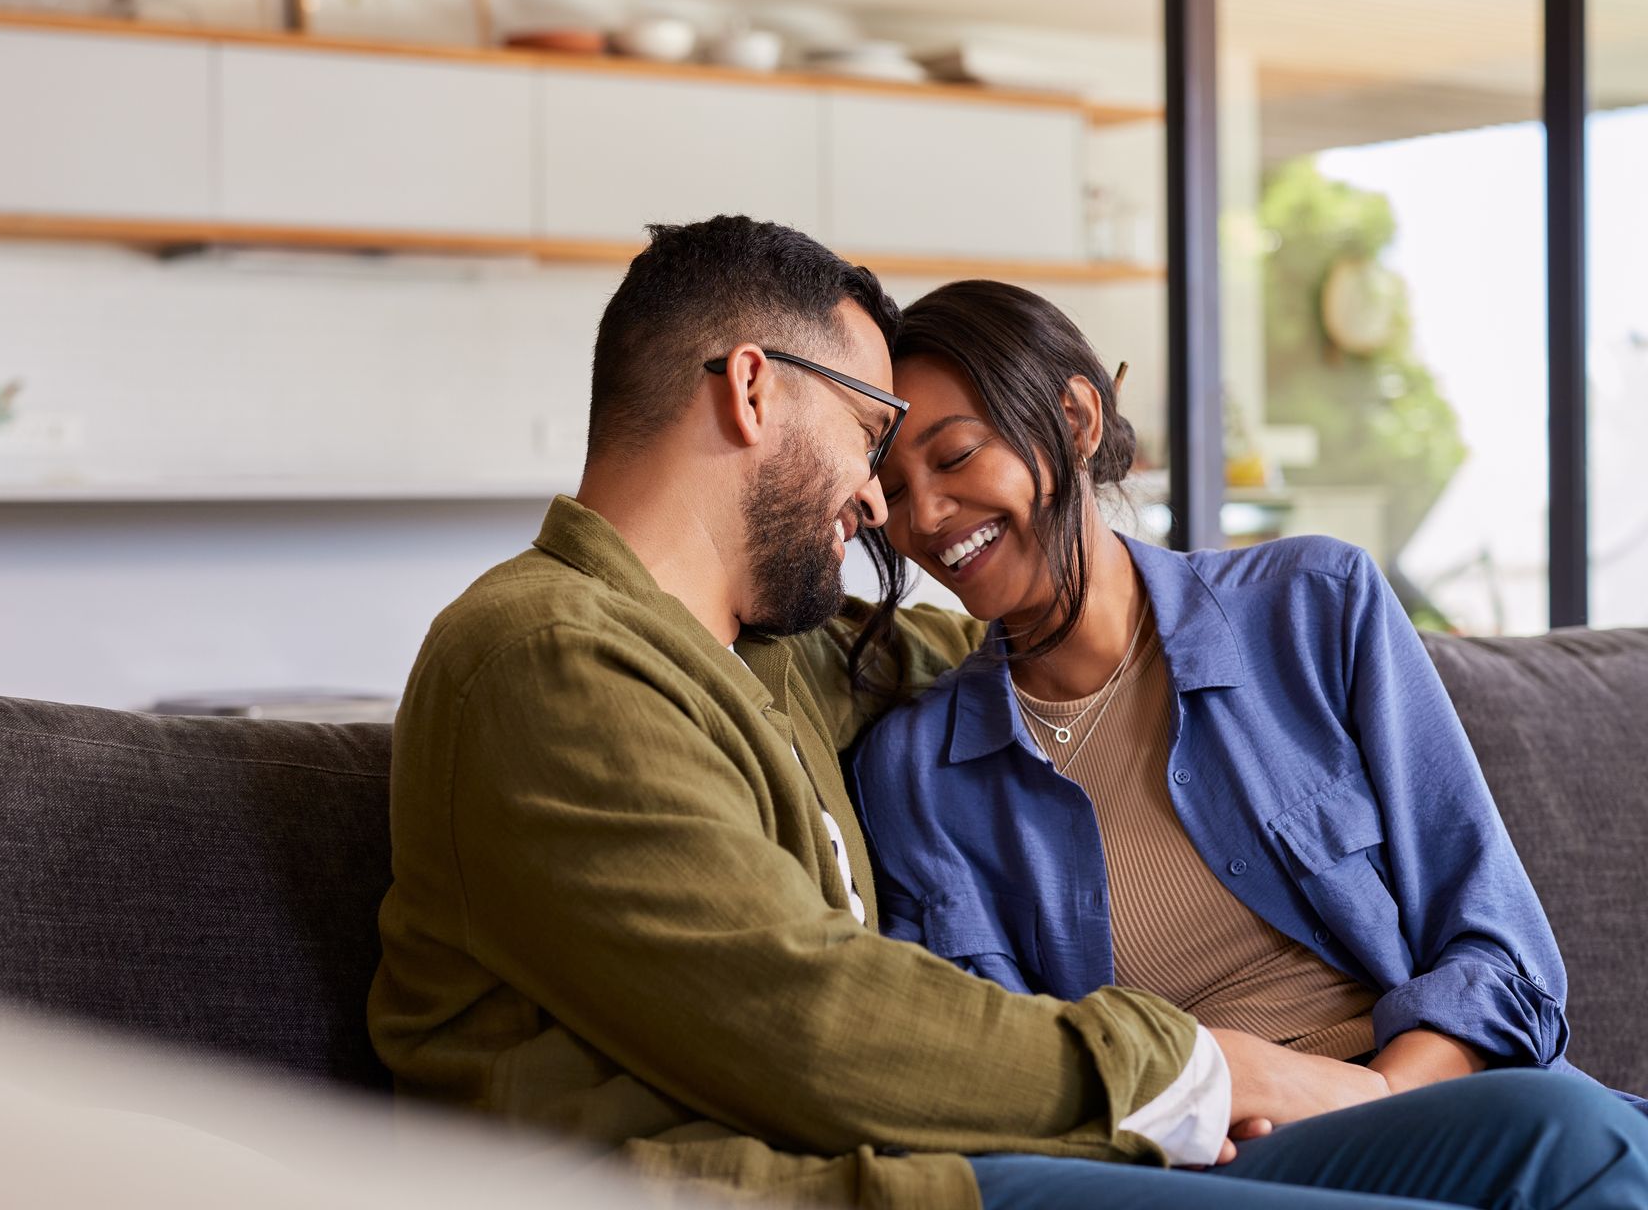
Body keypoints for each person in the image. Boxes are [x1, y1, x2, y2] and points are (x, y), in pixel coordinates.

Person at [368, 217, 1648, 1210]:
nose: (888, 509)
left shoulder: (774, 659)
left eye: (933, 452)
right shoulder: (550, 658)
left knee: (1573, 1130)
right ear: (754, 391)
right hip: (807, 1183)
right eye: (873, 439)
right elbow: (807, 1020)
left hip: (983, 1151)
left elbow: (1014, 639)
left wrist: (1095, 601)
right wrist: (1210, 1069)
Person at [848, 276, 1642, 1115]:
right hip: (1218, 1152)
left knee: (1578, 1128)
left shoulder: (1314, 605)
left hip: (1445, 1099)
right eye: (892, 490)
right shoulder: (916, 775)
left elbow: (1499, 946)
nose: (926, 514)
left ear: (1076, 421)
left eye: (956, 455)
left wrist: (1369, 1095)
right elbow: (1009, 1070)